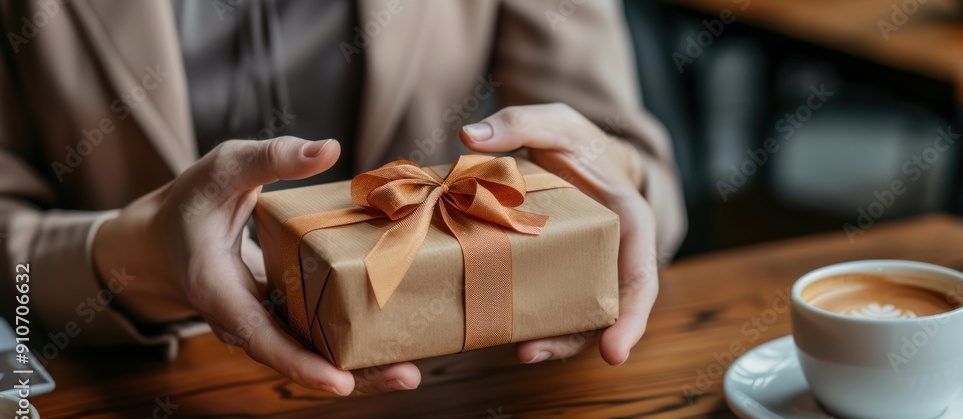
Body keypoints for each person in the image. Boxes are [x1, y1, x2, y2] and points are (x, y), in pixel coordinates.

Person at [0, 0, 686, 395]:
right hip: (124, 388)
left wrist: (613, 175)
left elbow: (628, 154)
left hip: (446, 398)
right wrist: (136, 255)